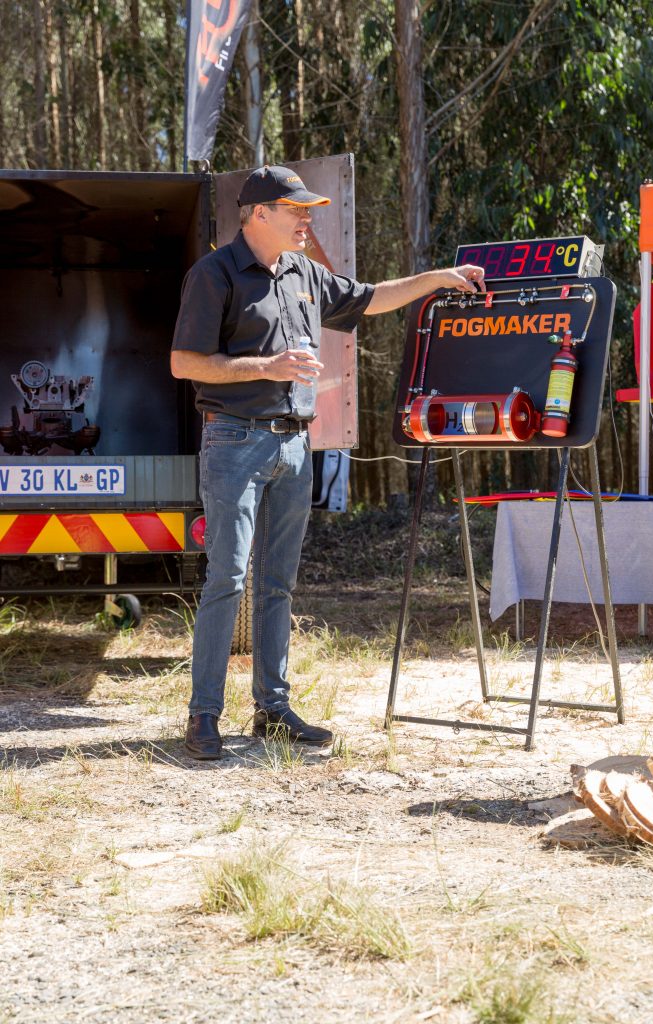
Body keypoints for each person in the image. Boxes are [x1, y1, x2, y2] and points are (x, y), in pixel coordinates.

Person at [171, 164, 485, 759]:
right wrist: (267, 367)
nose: (305, 220)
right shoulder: (214, 274)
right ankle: (203, 715)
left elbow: (370, 299)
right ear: (258, 213)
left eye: (308, 210)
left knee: (277, 583)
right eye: (295, 210)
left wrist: (438, 278)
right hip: (234, 442)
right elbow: (185, 362)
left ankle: (272, 709)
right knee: (228, 578)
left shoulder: (304, 272)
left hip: (296, 445)